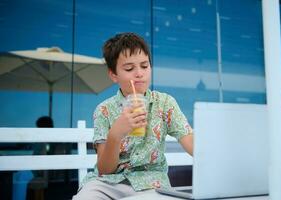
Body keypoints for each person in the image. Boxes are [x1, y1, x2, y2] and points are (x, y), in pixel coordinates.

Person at [72, 32, 193, 200]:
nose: (139, 73)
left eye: (144, 66)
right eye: (129, 68)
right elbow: (105, 169)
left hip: (152, 184)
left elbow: (191, 142)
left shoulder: (165, 103)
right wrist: (116, 134)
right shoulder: (104, 110)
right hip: (108, 183)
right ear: (113, 75)